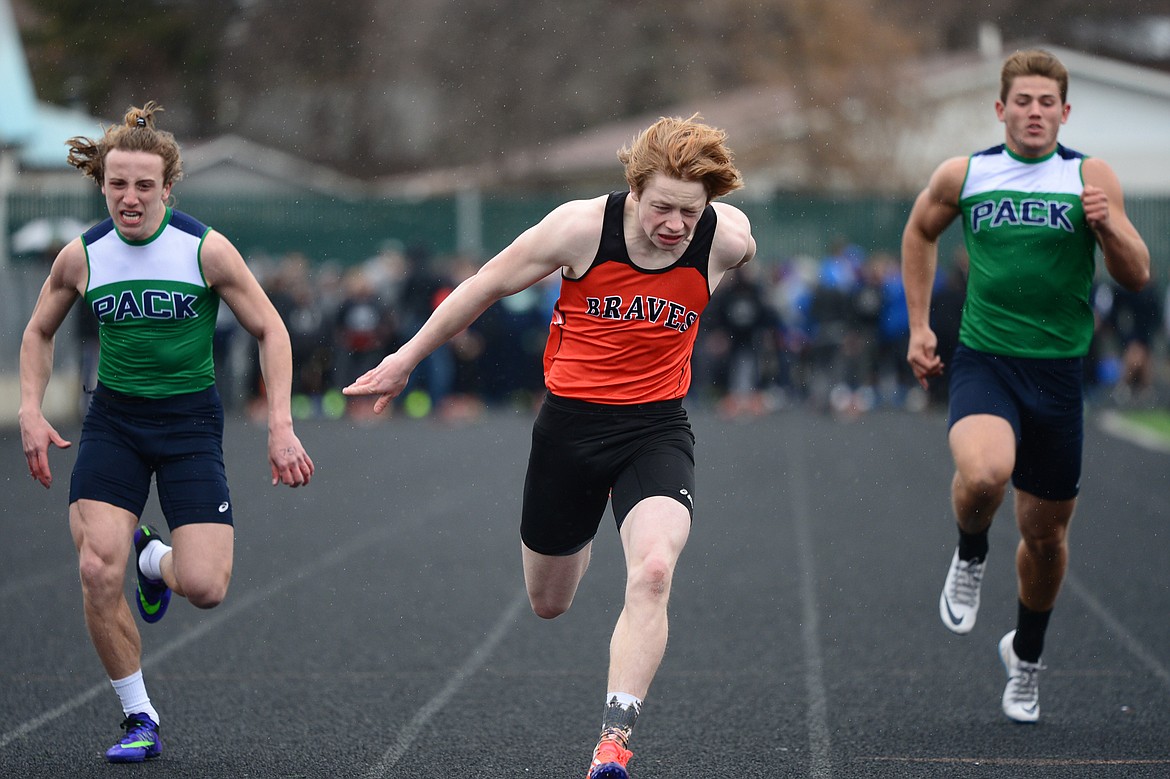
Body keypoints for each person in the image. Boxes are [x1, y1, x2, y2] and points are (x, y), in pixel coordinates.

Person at [344, 114, 755, 778]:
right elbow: (481, 288)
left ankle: (613, 742)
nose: (676, 224)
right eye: (662, 208)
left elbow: (732, 250)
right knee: (548, 601)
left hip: (656, 429)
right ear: (635, 187)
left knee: (653, 569)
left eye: (690, 210)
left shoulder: (726, 240)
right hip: (570, 430)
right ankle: (582, 528)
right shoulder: (579, 228)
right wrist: (404, 359)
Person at [18, 102, 315, 762]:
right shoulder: (82, 255)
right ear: (102, 185)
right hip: (114, 422)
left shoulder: (203, 249)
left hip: (188, 425)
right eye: (118, 184)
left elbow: (272, 328)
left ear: (167, 188)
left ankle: (154, 560)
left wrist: (280, 426)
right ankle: (138, 715)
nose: (130, 197)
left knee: (207, 587)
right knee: (97, 566)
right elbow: (39, 330)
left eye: (144, 185)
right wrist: (31, 411)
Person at [901, 50, 1150, 724]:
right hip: (986, 359)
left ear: (1064, 113)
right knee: (985, 474)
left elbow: (1136, 273)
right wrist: (921, 325)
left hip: (1059, 373)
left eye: (1048, 103)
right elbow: (919, 231)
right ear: (1001, 108)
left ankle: (1027, 656)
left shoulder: (1087, 175)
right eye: (1024, 101)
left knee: (1044, 538)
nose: (1035, 112)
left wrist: (1110, 223)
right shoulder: (967, 172)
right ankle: (971, 551)